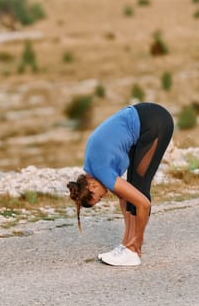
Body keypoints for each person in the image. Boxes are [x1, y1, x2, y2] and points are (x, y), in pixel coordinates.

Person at [67, 102, 174, 266]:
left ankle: (133, 252)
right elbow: (124, 198)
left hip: (154, 123)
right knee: (133, 190)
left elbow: (143, 204)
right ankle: (126, 247)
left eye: (99, 198)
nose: (104, 196)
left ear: (91, 187)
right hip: (145, 120)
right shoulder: (91, 167)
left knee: (140, 190)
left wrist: (138, 239)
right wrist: (126, 239)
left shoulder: (101, 170)